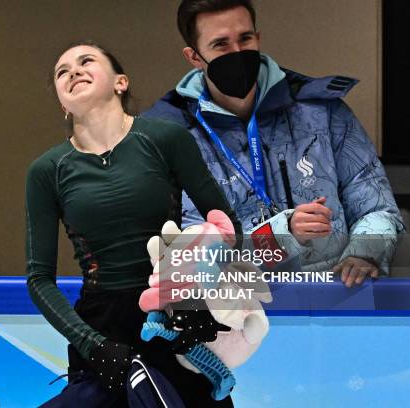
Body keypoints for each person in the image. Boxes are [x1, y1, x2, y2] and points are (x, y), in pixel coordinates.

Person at [25, 41, 240, 407]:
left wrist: (206, 300)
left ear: (120, 82)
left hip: (176, 315)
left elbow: (226, 228)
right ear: (63, 104)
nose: (73, 71)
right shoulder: (47, 170)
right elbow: (39, 279)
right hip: (101, 329)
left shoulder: (165, 139)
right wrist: (92, 346)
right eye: (63, 71)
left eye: (86, 61)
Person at [143, 0, 405, 288]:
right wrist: (282, 234)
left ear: (258, 37)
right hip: (240, 313)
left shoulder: (323, 111)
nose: (238, 53)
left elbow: (377, 206)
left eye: (245, 39)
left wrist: (365, 254)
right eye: (221, 44)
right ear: (194, 56)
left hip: (339, 295)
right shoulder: (175, 137)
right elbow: (193, 256)